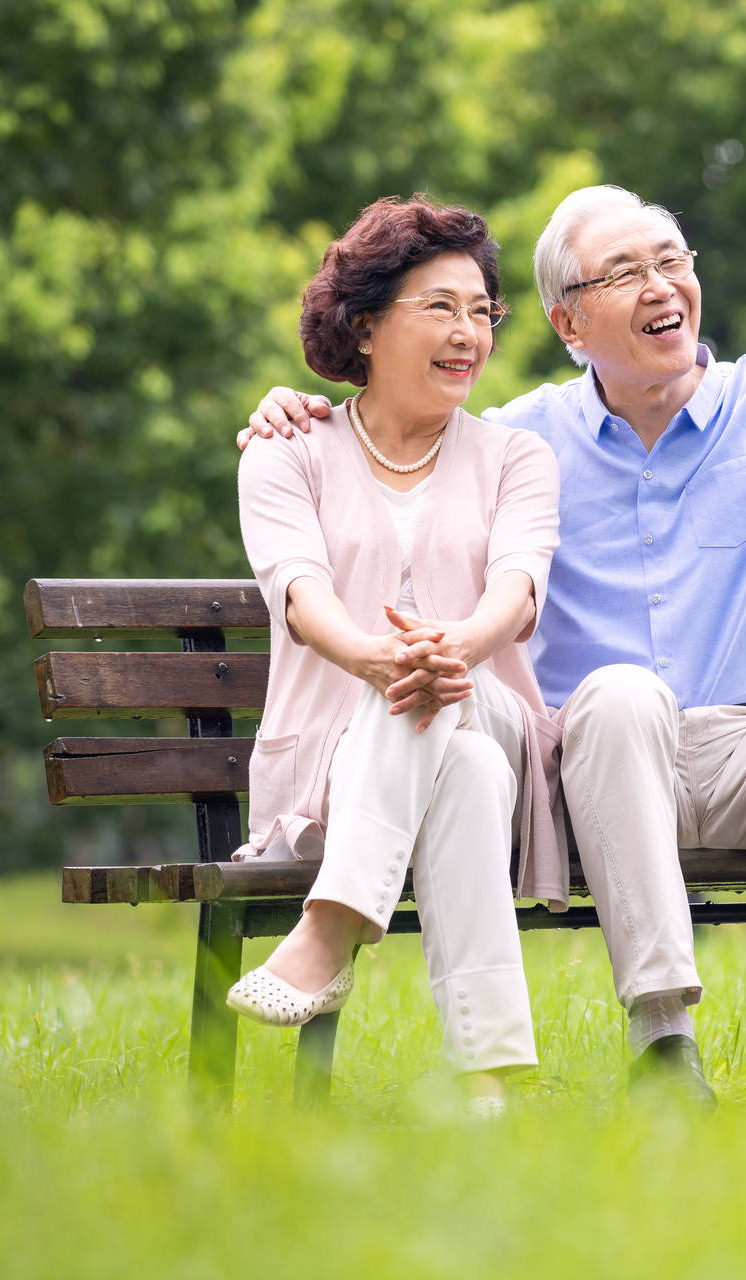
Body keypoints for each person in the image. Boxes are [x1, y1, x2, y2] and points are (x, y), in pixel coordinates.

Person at [243, 184, 746, 1107]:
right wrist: (296, 407)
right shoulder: (521, 438)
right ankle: (664, 1050)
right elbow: (400, 432)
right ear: (569, 324)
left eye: (673, 262)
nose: (661, 286)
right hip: (595, 768)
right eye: (626, 272)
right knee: (618, 694)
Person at [228, 195, 563, 1118]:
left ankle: (329, 929)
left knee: (439, 694)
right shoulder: (285, 453)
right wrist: (379, 660)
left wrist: (451, 647)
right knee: (447, 747)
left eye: (481, 311)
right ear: (366, 325)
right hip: (340, 770)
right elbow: (297, 593)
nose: (469, 334)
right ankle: (487, 1086)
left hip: (488, 706)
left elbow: (517, 586)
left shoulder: (516, 458)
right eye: (441, 308)